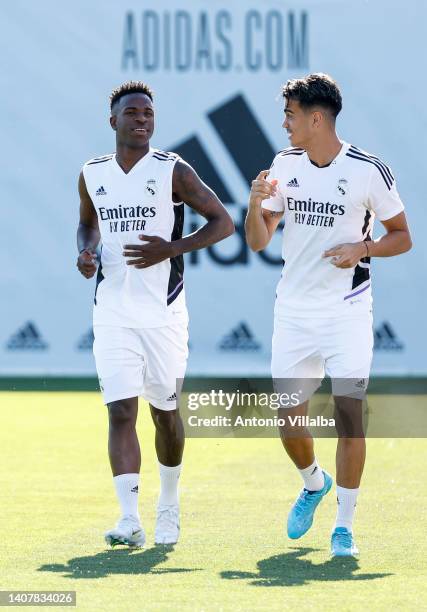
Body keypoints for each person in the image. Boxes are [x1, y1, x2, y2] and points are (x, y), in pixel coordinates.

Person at [245, 73, 412, 556]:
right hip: (293, 313)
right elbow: (258, 241)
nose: (284, 124)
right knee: (288, 422)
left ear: (316, 118)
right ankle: (313, 483)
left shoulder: (367, 170)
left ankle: (344, 526)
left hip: (347, 313)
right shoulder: (284, 164)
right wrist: (255, 206)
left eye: (291, 115)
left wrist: (363, 247)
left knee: (349, 415)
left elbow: (402, 235)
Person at [77, 81, 234, 548]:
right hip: (112, 312)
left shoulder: (173, 170)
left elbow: (222, 222)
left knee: (165, 413)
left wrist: (173, 248)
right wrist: (85, 253)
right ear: (114, 122)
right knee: (121, 411)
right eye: (132, 113)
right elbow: (87, 223)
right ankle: (129, 519)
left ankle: (168, 506)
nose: (142, 119)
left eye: (148, 112)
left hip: (164, 313)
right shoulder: (92, 172)